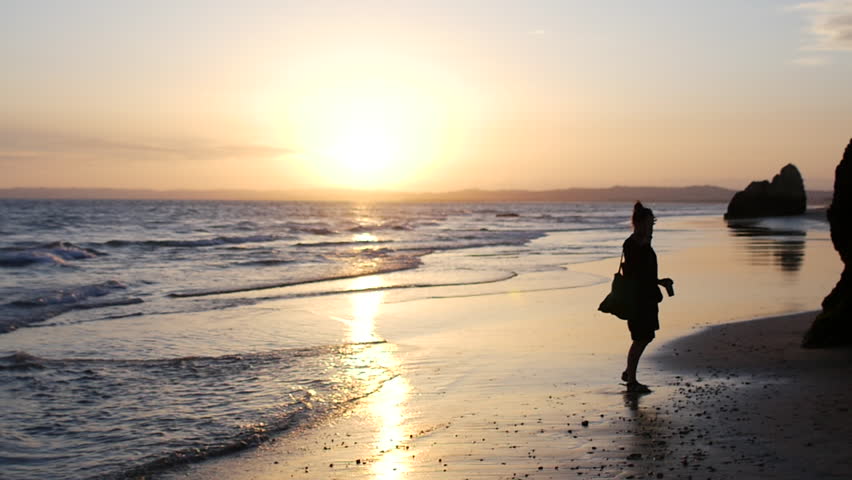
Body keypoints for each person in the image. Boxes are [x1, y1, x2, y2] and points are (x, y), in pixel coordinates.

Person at [620, 201, 673, 393]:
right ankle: (631, 381)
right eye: (650, 224)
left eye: (653, 224)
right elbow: (635, 275)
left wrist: (660, 281)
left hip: (647, 297)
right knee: (641, 337)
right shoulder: (633, 244)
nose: (652, 227)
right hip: (638, 300)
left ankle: (629, 373)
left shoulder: (643, 244)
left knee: (645, 336)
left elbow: (646, 275)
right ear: (640, 223)